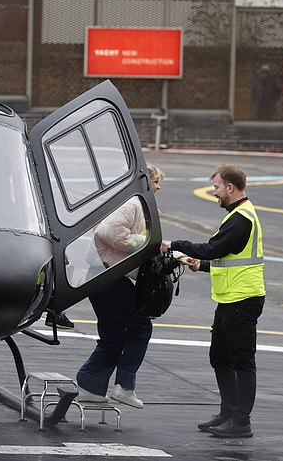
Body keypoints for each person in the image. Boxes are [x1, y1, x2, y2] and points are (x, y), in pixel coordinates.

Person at [161, 164, 264, 438]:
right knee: (219, 357)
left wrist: (175, 244)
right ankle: (228, 413)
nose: (215, 192)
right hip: (231, 298)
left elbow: (213, 248)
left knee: (242, 361)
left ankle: (241, 422)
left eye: (217, 187)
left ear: (230, 187)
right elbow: (227, 257)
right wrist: (202, 265)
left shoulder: (240, 218)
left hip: (243, 298)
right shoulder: (236, 215)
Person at [76, 165, 165, 409]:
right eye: (157, 182)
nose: (158, 188)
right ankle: (125, 387)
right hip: (110, 276)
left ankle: (89, 385)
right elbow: (109, 231)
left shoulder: (128, 202)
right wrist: (148, 243)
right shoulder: (133, 203)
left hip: (99, 276)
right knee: (140, 327)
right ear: (147, 181)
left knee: (113, 335)